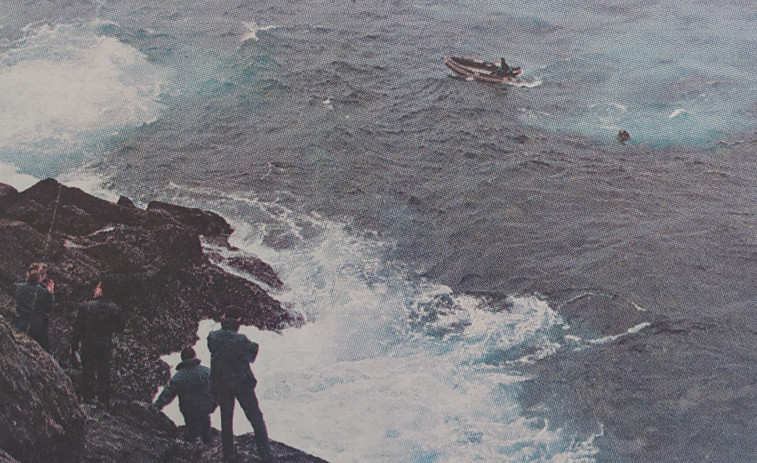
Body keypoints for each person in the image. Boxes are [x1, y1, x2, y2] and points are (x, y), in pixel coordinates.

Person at [207, 306, 274, 463]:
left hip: (222, 384)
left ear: (223, 317)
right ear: (238, 320)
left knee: (226, 418)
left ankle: (228, 454)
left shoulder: (212, 337)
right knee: (255, 417)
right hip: (241, 384)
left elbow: (215, 349)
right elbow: (251, 355)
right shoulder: (242, 340)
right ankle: (265, 455)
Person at [70, 279, 125, 409]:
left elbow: (78, 328)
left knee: (88, 370)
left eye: (97, 288)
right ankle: (104, 401)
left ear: (101, 290)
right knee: (104, 372)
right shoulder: (114, 308)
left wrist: (74, 345)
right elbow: (120, 327)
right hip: (104, 343)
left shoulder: (86, 306)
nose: (95, 290)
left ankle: (88, 399)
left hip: (88, 342)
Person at [153, 347, 217, 445]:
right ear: (194, 356)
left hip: (189, 410)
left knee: (193, 432)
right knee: (206, 428)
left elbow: (167, 394)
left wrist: (156, 406)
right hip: (205, 408)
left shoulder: (178, 377)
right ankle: (208, 444)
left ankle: (195, 445)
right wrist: (214, 404)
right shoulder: (207, 372)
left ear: (182, 359)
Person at [14, 262, 55, 351]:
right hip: (35, 329)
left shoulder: (19, 286)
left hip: (19, 323)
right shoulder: (43, 292)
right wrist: (51, 292)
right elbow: (49, 307)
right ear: (41, 276)